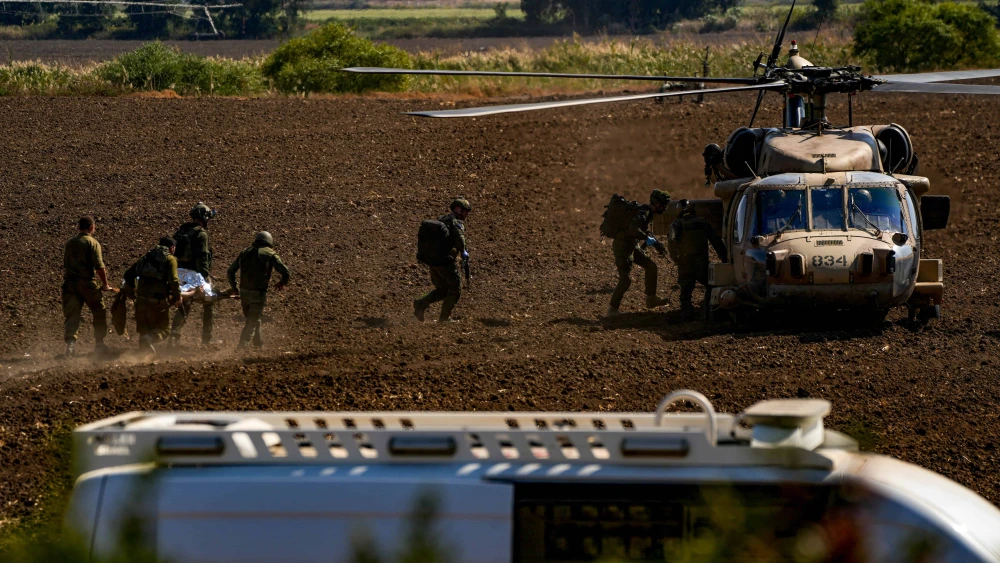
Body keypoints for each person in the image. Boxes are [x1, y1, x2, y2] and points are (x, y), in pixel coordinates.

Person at [607, 189, 672, 317]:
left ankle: (651, 299)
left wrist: (656, 244)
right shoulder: (643, 212)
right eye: (664, 205)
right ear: (658, 204)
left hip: (631, 245)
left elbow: (644, 231)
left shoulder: (647, 213)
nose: (664, 208)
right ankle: (612, 309)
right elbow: (633, 230)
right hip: (623, 247)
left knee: (651, 266)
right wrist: (648, 240)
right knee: (625, 280)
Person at [227, 231, 290, 350]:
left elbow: (230, 271)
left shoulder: (244, 252)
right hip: (258, 293)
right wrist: (282, 283)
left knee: (254, 317)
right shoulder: (270, 254)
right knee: (251, 322)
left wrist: (235, 288)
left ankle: (258, 343)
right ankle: (241, 347)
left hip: (244, 292)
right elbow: (286, 272)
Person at [667, 200, 728, 322]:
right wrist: (724, 257)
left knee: (686, 294)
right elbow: (716, 241)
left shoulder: (676, 225)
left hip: (685, 264)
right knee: (711, 286)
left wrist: (677, 259)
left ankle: (687, 316)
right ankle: (709, 313)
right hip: (702, 263)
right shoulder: (702, 223)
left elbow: (671, 244)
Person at [413, 198, 471, 323]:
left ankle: (420, 304)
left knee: (442, 290)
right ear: (458, 209)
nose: (467, 214)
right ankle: (444, 319)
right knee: (455, 289)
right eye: (465, 211)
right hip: (445, 262)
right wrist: (464, 252)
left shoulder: (442, 219)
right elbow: (460, 240)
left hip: (433, 261)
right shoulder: (456, 223)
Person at [62, 216, 112, 357]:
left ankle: (70, 347)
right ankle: (99, 345)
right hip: (87, 284)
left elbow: (65, 263)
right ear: (91, 228)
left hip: (70, 284)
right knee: (99, 311)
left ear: (78, 227)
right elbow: (99, 267)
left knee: (72, 315)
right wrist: (105, 285)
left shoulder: (70, 242)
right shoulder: (92, 243)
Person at [123, 237, 181, 357]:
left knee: (143, 331)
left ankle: (141, 358)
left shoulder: (146, 257)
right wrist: (177, 297)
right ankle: (149, 340)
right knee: (164, 329)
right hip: (158, 303)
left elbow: (128, 274)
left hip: (141, 301)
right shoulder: (170, 259)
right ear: (172, 248)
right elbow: (174, 281)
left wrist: (133, 290)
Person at [169, 202, 217, 347]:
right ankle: (206, 340)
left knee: (185, 303)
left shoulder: (181, 231)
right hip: (194, 275)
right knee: (210, 302)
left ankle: (174, 336)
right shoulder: (201, 234)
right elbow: (203, 258)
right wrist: (203, 280)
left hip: (179, 273)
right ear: (204, 218)